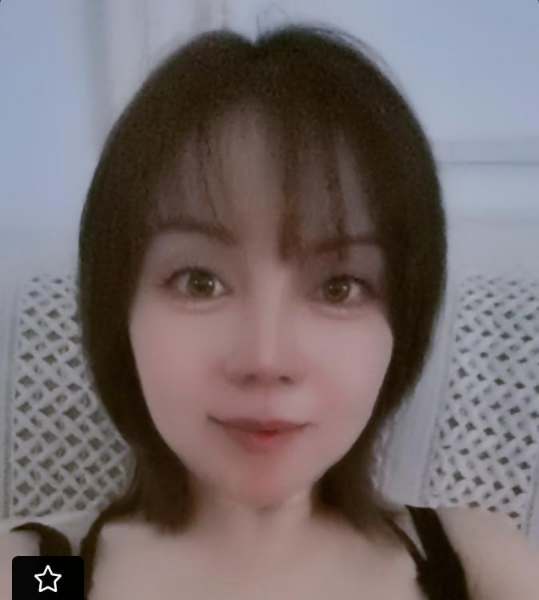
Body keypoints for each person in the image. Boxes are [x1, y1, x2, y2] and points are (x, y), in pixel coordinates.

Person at [2, 22, 539, 600]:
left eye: (339, 287)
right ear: (119, 311)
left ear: (402, 327)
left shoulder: (467, 566)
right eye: (200, 282)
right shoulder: (41, 573)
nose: (266, 359)